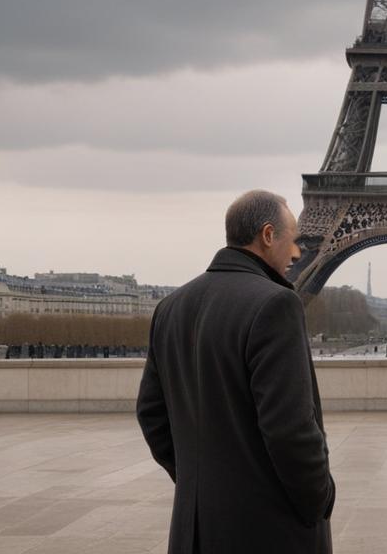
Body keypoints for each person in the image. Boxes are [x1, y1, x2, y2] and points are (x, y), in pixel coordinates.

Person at [137, 190, 335, 553]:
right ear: (268, 235)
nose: (297, 253)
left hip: (194, 529)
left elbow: (151, 414)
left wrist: (199, 483)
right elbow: (290, 428)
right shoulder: (276, 303)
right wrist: (319, 500)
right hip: (267, 530)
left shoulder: (170, 307)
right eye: (293, 240)